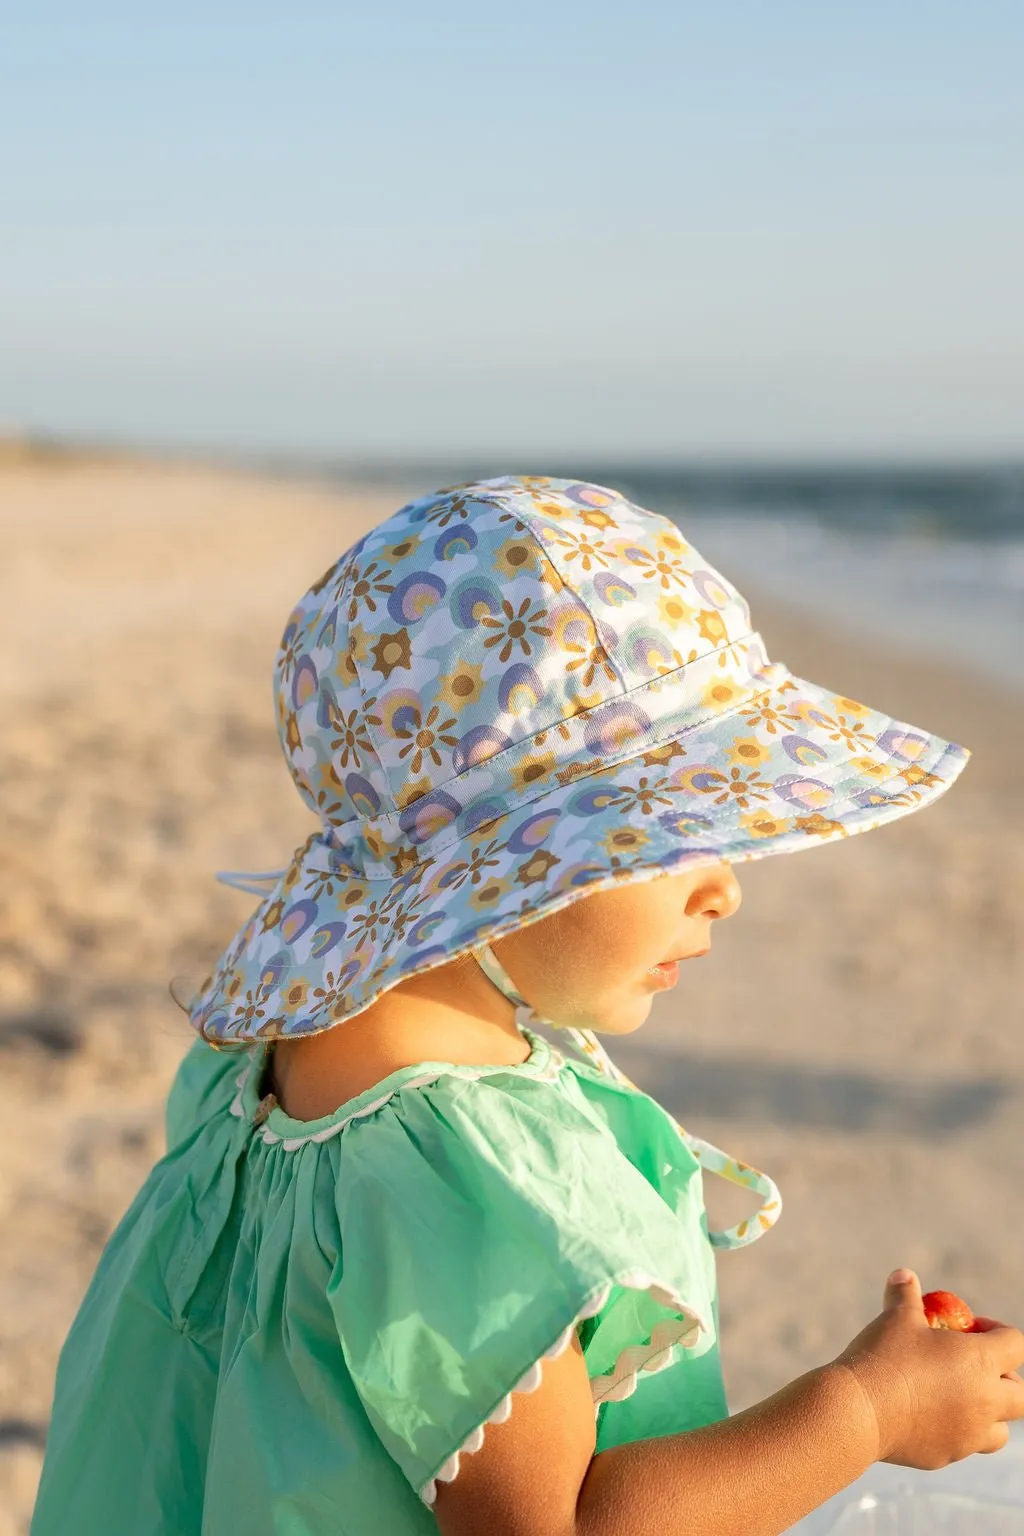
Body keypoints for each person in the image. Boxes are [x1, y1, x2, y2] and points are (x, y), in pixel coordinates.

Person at [31, 475, 1024, 1536]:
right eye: (672, 835)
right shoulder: (473, 1185)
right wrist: (867, 1410)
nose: (725, 887)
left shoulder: (260, 1074)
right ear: (502, 873)